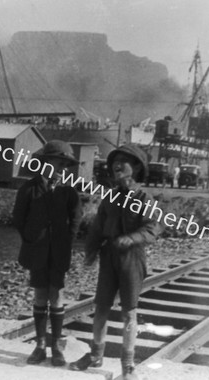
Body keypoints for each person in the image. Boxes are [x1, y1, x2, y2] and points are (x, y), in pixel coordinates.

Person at [69, 143, 161, 380]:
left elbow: (152, 228)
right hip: (109, 256)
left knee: (129, 312)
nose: (117, 165)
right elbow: (98, 228)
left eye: (124, 161)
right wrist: (89, 254)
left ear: (137, 167)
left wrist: (130, 238)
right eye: (114, 161)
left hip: (132, 257)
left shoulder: (145, 198)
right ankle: (95, 354)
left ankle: (128, 365)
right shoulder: (110, 198)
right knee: (101, 307)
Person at [12, 140, 83, 366]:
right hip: (37, 251)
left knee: (57, 295)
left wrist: (65, 242)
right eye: (58, 164)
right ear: (44, 163)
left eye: (65, 166)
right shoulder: (29, 188)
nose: (61, 170)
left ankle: (56, 347)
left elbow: (76, 219)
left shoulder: (68, 191)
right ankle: (40, 345)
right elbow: (18, 219)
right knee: (41, 295)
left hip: (59, 252)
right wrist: (33, 239)